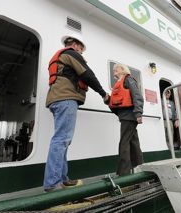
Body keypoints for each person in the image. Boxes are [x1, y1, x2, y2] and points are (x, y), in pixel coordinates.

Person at [44, 33, 109, 192]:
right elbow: (87, 74)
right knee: (61, 140)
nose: (81, 52)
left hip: (57, 99)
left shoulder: (61, 57)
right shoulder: (71, 53)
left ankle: (63, 179)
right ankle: (52, 183)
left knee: (63, 140)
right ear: (74, 44)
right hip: (66, 99)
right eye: (81, 48)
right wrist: (103, 93)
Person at [108, 63, 144, 176]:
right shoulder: (120, 83)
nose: (114, 72)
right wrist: (107, 100)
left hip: (129, 116)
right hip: (126, 116)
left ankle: (124, 172)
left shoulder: (128, 80)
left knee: (124, 142)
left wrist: (138, 113)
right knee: (133, 141)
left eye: (116, 70)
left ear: (123, 70)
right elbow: (117, 103)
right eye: (113, 71)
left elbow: (137, 96)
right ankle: (139, 166)